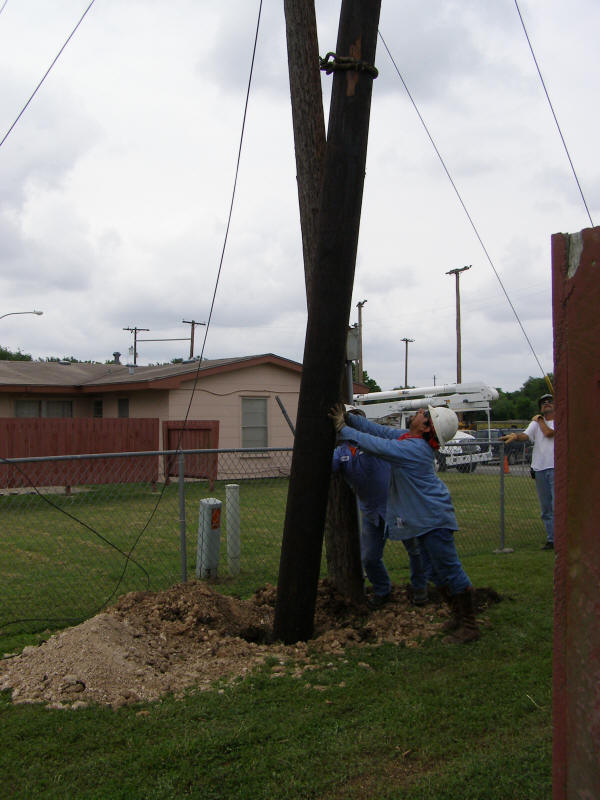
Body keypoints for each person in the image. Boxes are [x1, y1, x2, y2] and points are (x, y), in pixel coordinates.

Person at [329, 402, 480, 644]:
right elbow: (378, 432)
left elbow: (376, 445)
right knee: (434, 571)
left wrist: (343, 430)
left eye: (424, 414)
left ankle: (469, 625)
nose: (419, 412)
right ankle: (457, 616)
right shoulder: (407, 438)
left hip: (433, 519)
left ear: (427, 427)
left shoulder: (414, 448)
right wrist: (350, 419)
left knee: (450, 570)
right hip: (423, 519)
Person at [332, 413, 433, 609]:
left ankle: (420, 590)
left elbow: (373, 440)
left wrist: (348, 426)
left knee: (415, 550)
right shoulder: (342, 452)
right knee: (369, 558)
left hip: (398, 508)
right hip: (371, 512)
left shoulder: (378, 446)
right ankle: (382, 590)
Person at [502, 393, 555, 550]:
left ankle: (563, 538)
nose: (546, 404)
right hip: (539, 468)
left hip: (555, 468)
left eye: (549, 401)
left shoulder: (556, 420)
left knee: (557, 506)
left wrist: (539, 420)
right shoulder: (536, 423)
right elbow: (526, 435)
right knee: (546, 508)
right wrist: (516, 436)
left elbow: (549, 433)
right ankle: (551, 539)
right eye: (543, 402)